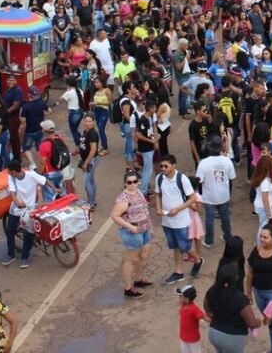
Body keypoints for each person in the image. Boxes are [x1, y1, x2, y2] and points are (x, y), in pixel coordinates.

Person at [155, 154, 198, 287]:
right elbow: (157, 194)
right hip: (167, 220)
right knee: (175, 246)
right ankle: (178, 272)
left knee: (184, 245)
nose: (163, 168)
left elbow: (192, 198)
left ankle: (197, 260)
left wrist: (178, 210)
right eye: (161, 166)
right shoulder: (159, 178)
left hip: (180, 220)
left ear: (174, 166)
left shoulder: (182, 179)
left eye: (166, 166)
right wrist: (158, 207)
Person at [110, 169, 153, 298]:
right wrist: (131, 227)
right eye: (129, 182)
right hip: (132, 233)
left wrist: (150, 226)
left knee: (144, 256)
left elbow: (145, 209)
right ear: (125, 184)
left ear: (138, 182)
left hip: (144, 230)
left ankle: (138, 280)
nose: (132, 184)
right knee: (131, 260)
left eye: (135, 181)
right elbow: (115, 216)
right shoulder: (123, 199)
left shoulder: (138, 192)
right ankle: (128, 288)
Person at [204, 262, 260, 353]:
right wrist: (258, 322)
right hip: (233, 338)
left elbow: (207, 309)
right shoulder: (241, 299)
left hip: (214, 334)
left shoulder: (211, 290)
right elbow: (252, 323)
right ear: (236, 278)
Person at [3, 159, 46, 269]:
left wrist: (55, 188)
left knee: (28, 234)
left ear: (13, 171)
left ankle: (24, 257)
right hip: (15, 210)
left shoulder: (31, 175)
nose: (8, 172)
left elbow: (44, 181)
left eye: (9, 170)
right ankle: (10, 254)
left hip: (29, 210)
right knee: (10, 231)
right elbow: (13, 194)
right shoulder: (11, 178)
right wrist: (17, 203)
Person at [196, 137, 236, 247]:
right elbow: (232, 177)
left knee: (209, 218)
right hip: (224, 195)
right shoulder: (227, 160)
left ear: (209, 148)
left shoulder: (203, 163)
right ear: (221, 148)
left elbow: (199, 180)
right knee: (225, 216)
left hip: (209, 196)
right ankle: (227, 236)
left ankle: (209, 240)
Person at [77, 114, 100, 210]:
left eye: (90, 121)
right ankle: (93, 201)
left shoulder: (92, 134)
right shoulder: (86, 131)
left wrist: (86, 162)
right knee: (91, 180)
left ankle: (91, 204)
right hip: (88, 160)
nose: (87, 123)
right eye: (86, 121)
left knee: (86, 182)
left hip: (91, 160)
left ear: (93, 122)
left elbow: (93, 150)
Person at [177, 284, 209, 353]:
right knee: (184, 351)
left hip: (193, 339)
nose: (179, 298)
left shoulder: (194, 309)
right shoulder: (182, 306)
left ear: (186, 299)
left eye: (180, 296)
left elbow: (204, 317)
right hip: (183, 337)